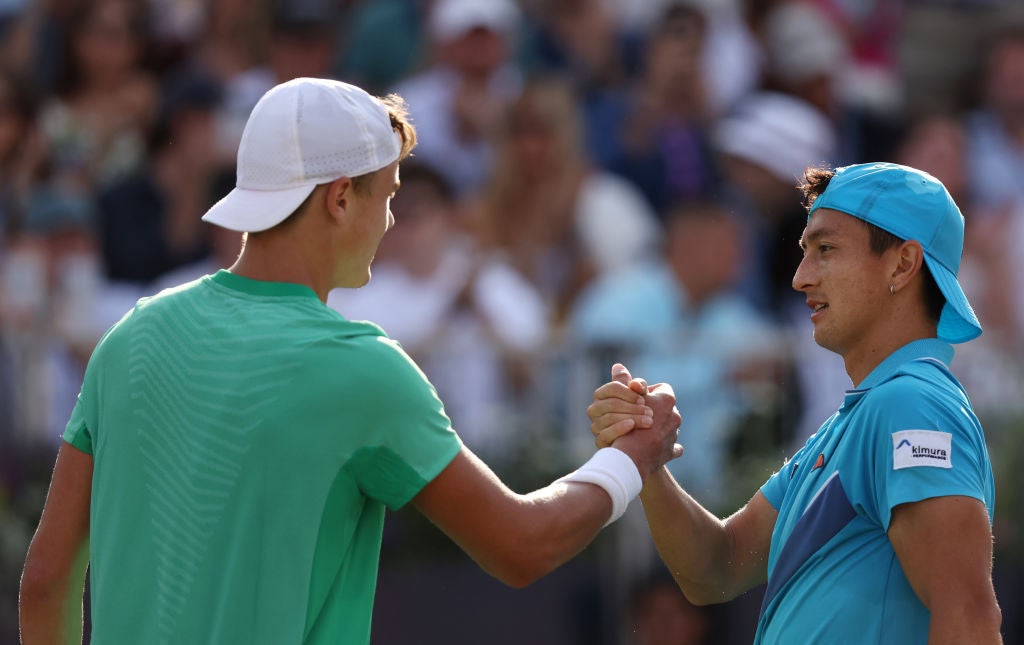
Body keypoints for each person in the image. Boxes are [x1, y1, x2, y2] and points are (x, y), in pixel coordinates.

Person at [17, 76, 683, 644]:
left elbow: (46, 579)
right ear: (340, 198)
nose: (390, 221)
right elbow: (523, 542)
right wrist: (630, 457)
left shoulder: (130, 336)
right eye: (387, 194)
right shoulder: (364, 370)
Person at [588, 162, 1003, 642]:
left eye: (825, 249)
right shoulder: (860, 420)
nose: (800, 278)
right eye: (806, 252)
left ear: (903, 264)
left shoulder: (912, 406)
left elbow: (970, 618)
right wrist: (649, 462)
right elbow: (717, 567)